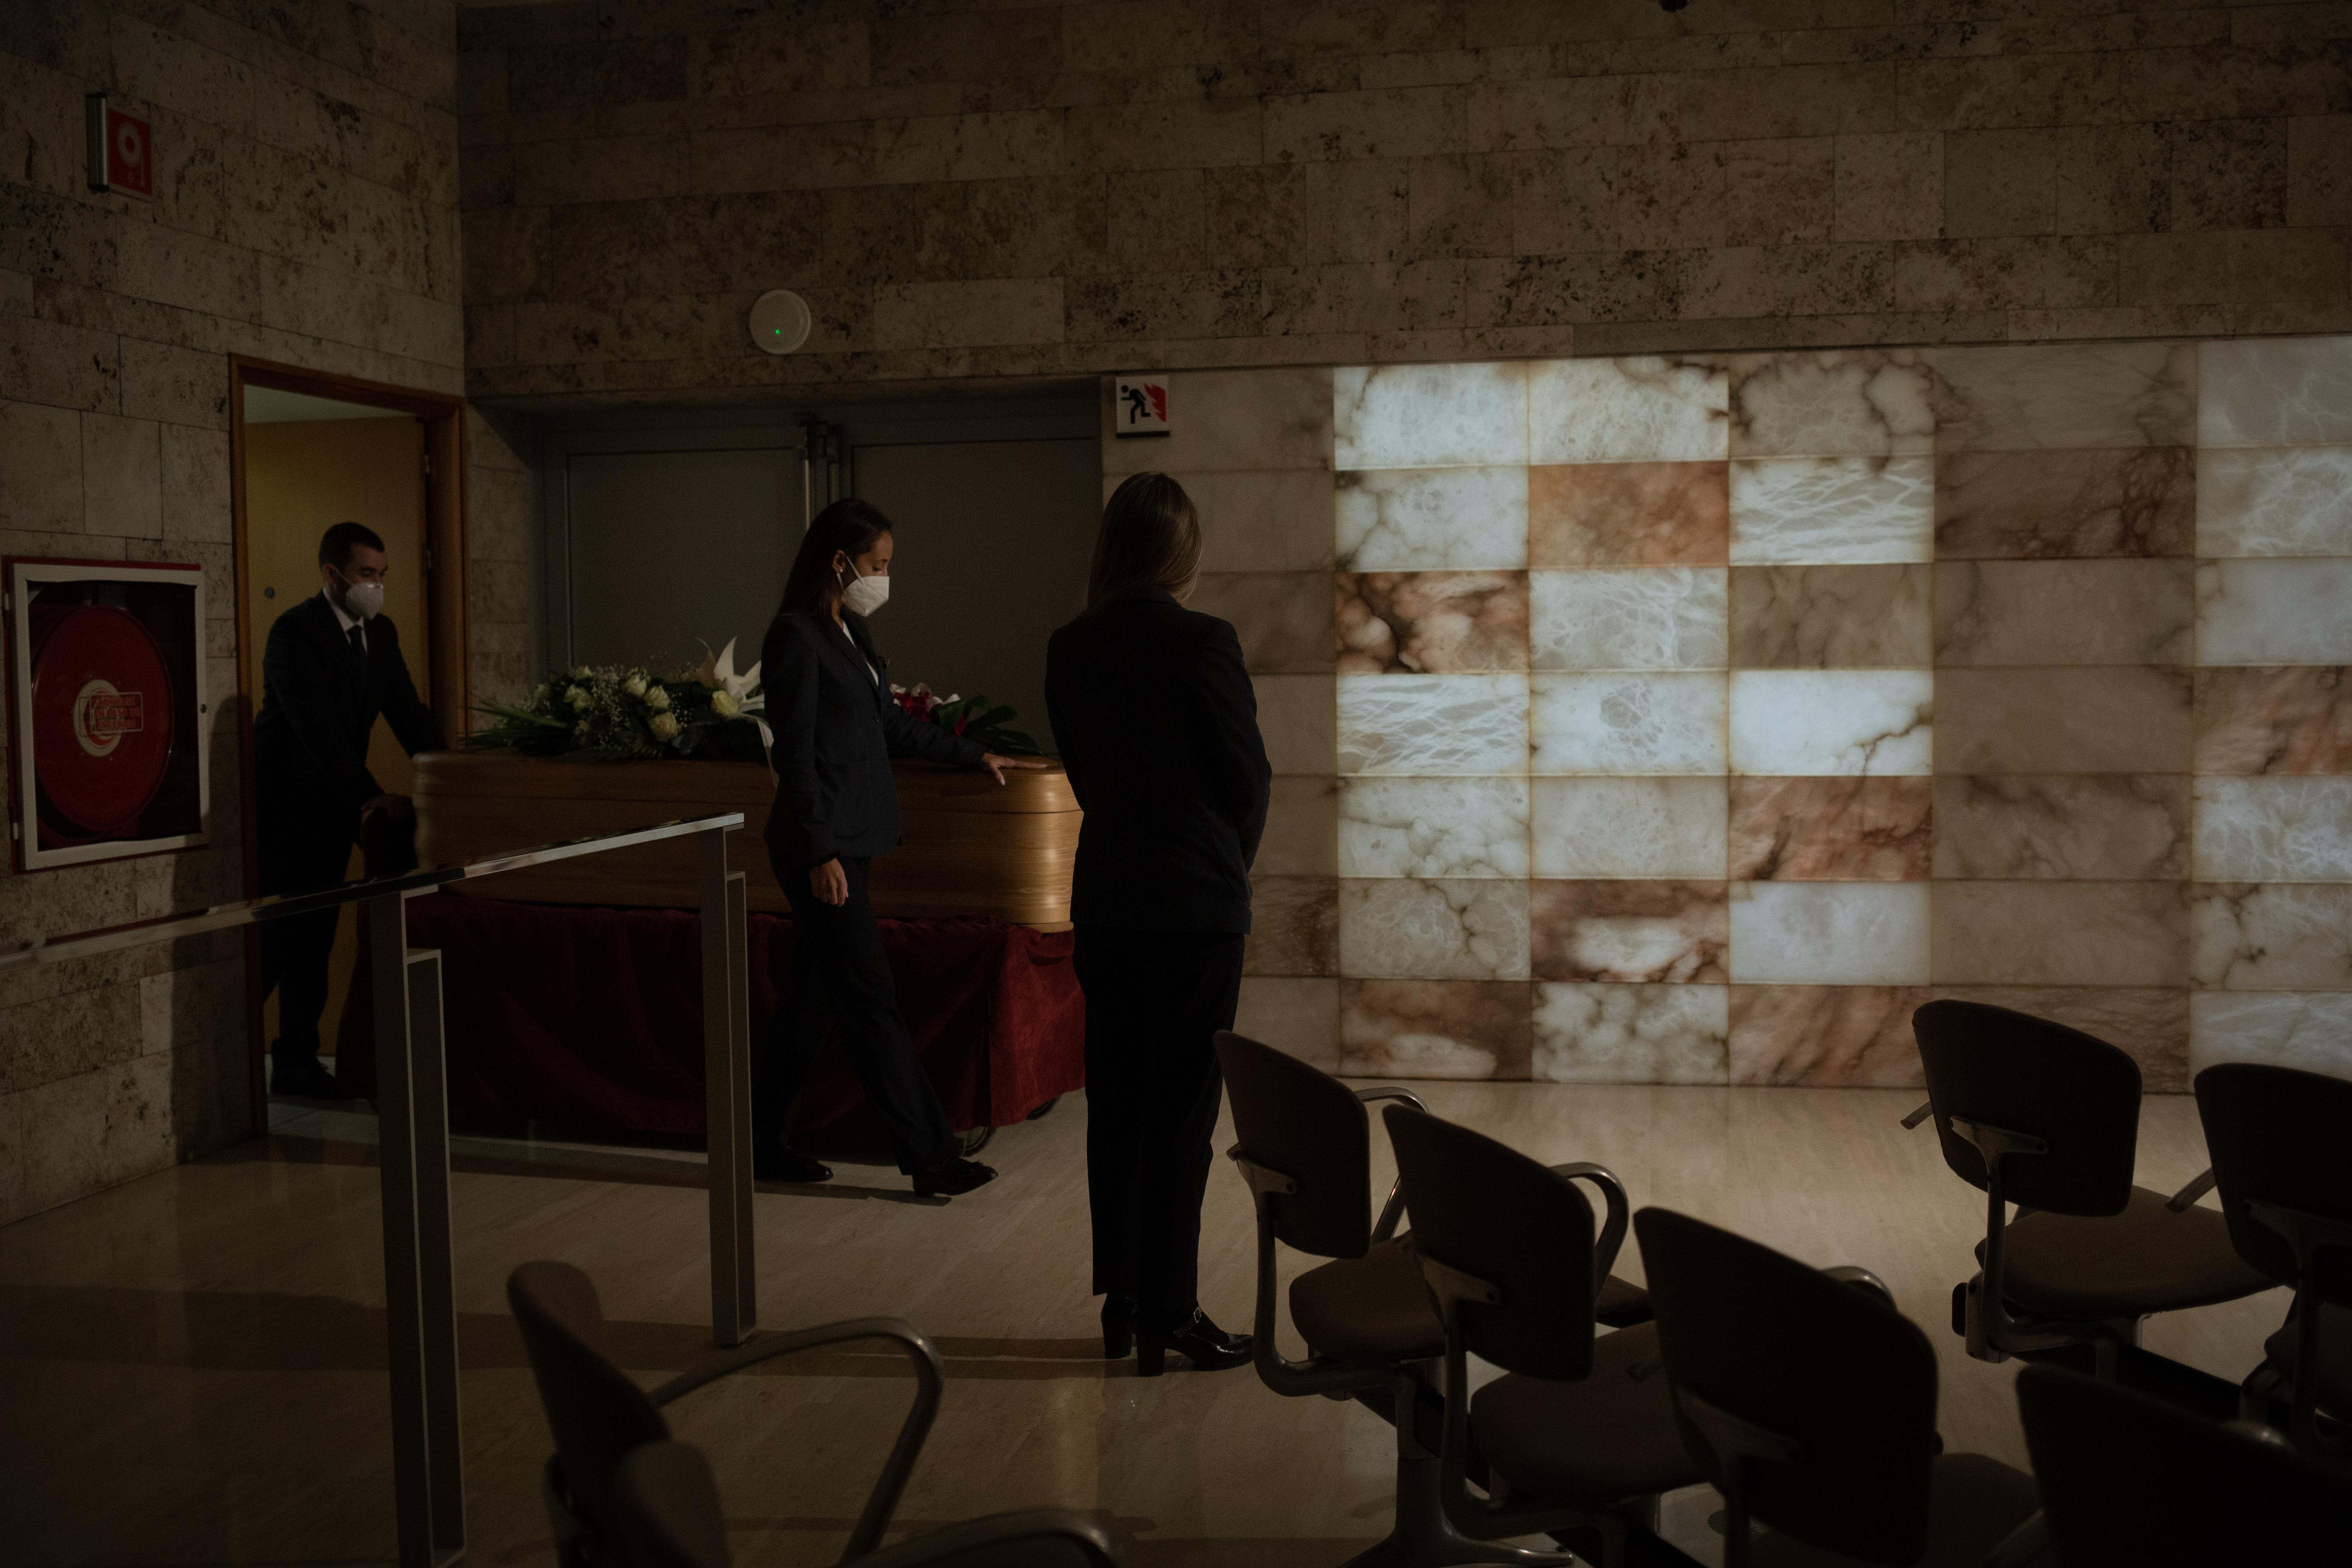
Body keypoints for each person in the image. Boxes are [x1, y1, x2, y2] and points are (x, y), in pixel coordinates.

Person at [1044, 472, 1271, 1375]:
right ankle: (1171, 1310)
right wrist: (1223, 864)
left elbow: (1089, 779)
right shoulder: (1203, 641)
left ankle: (1125, 1298)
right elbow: (1247, 780)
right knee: (1182, 1113)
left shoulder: (1070, 646)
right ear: (1182, 551)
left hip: (1109, 900)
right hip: (1193, 911)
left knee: (1118, 1108)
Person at [755, 499, 1044, 1197]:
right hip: (818, 849)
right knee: (870, 997)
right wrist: (820, 850)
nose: (884, 578)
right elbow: (794, 756)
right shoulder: (795, 637)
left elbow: (888, 725)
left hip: (851, 841)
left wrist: (972, 754)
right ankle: (930, 1155)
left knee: (809, 1003)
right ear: (839, 560)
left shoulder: (847, 630)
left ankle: (758, 1142)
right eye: (878, 565)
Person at [252, 521, 444, 1098]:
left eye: (382, 576)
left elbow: (408, 714)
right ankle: (231, 1055)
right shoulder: (295, 632)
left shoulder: (379, 635)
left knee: (316, 937)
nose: (376, 587)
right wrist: (369, 795)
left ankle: (296, 1061)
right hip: (287, 808)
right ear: (332, 574)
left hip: (335, 807)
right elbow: (318, 732)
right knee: (280, 939)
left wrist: (452, 775)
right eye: (366, 575)